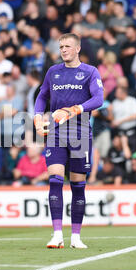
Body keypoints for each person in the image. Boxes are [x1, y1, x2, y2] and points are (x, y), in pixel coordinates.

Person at [33, 33, 104, 249]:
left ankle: (75, 236)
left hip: (80, 133)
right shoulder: (53, 72)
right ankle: (57, 235)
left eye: (68, 46)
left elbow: (98, 99)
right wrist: (37, 116)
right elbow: (41, 95)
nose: (63, 50)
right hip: (55, 132)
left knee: (78, 186)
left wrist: (76, 109)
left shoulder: (90, 72)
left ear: (78, 48)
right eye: (61, 46)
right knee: (55, 179)